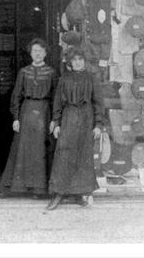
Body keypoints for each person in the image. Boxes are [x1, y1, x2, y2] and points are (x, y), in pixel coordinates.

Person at [46, 47, 104, 210]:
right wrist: (56, 122)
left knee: (83, 155)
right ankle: (59, 194)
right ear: (70, 63)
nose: (78, 63)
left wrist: (98, 124)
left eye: (80, 60)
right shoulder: (64, 79)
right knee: (64, 154)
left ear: (84, 62)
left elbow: (98, 103)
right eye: (75, 60)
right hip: (69, 117)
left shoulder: (92, 78)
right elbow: (57, 102)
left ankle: (80, 193)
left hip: (86, 118)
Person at [0, 38, 57, 198]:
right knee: (22, 149)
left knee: (40, 151)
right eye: (34, 51)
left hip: (44, 113)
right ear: (30, 53)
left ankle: (39, 189)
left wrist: (54, 120)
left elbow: (55, 98)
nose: (37, 54)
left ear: (45, 53)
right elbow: (16, 95)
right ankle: (18, 187)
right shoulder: (23, 72)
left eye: (41, 51)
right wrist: (15, 118)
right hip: (26, 112)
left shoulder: (51, 73)